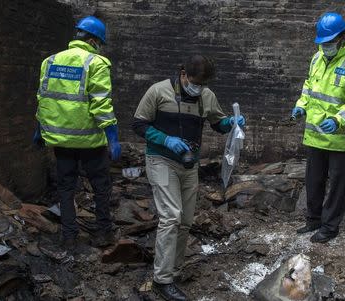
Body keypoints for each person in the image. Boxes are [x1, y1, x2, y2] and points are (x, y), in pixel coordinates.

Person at [132, 55, 245, 301]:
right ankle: (162, 280)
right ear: (183, 74)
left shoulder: (206, 96)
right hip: (161, 160)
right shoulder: (158, 91)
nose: (198, 88)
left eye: (202, 84)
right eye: (195, 82)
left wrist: (231, 122)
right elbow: (138, 124)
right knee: (171, 217)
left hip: (189, 164)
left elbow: (218, 123)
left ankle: (174, 271)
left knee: (184, 221)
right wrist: (166, 140)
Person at [33, 16, 121, 251]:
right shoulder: (97, 63)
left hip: (61, 140)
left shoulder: (50, 61)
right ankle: (103, 233)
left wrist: (39, 129)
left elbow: (44, 99)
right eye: (99, 42)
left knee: (65, 187)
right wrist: (112, 137)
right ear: (93, 40)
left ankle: (69, 236)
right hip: (90, 141)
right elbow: (101, 105)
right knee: (101, 186)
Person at [291, 12, 345, 243]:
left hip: (340, 138)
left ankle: (330, 226)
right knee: (313, 179)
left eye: (329, 42)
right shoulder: (316, 59)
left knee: (336, 183)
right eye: (322, 43)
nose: (325, 47)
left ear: (342, 38)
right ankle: (313, 219)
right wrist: (300, 106)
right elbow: (309, 87)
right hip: (315, 134)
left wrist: (338, 120)